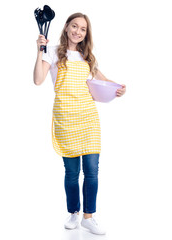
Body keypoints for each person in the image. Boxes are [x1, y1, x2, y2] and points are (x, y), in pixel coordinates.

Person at [33, 12, 126, 235]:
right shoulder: (54, 52)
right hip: (66, 118)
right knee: (72, 173)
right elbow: (38, 80)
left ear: (86, 34)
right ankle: (74, 213)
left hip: (88, 118)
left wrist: (118, 88)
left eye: (83, 29)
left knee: (92, 171)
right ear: (66, 28)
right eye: (74, 26)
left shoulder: (87, 57)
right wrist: (39, 51)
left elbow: (103, 80)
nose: (78, 31)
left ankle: (88, 217)